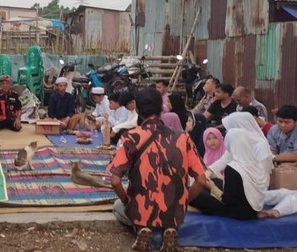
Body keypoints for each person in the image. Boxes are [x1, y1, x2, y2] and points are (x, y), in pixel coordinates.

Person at [109, 88, 206, 252]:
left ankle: (142, 229)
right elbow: (201, 180)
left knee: (118, 206)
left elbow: (115, 180)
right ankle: (169, 229)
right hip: (174, 209)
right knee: (168, 209)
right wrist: (183, 201)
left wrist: (127, 201)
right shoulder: (183, 137)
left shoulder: (131, 137)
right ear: (161, 109)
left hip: (142, 208)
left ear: (138, 109)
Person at [190, 129, 270, 220]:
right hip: (254, 209)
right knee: (215, 180)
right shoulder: (256, 163)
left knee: (197, 194)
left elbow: (227, 200)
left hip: (238, 213)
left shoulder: (233, 168)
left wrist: (211, 188)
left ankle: (193, 208)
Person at [207, 112, 274, 179]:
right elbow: (223, 161)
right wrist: (210, 170)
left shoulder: (260, 146)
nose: (228, 133)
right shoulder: (237, 143)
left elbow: (262, 173)